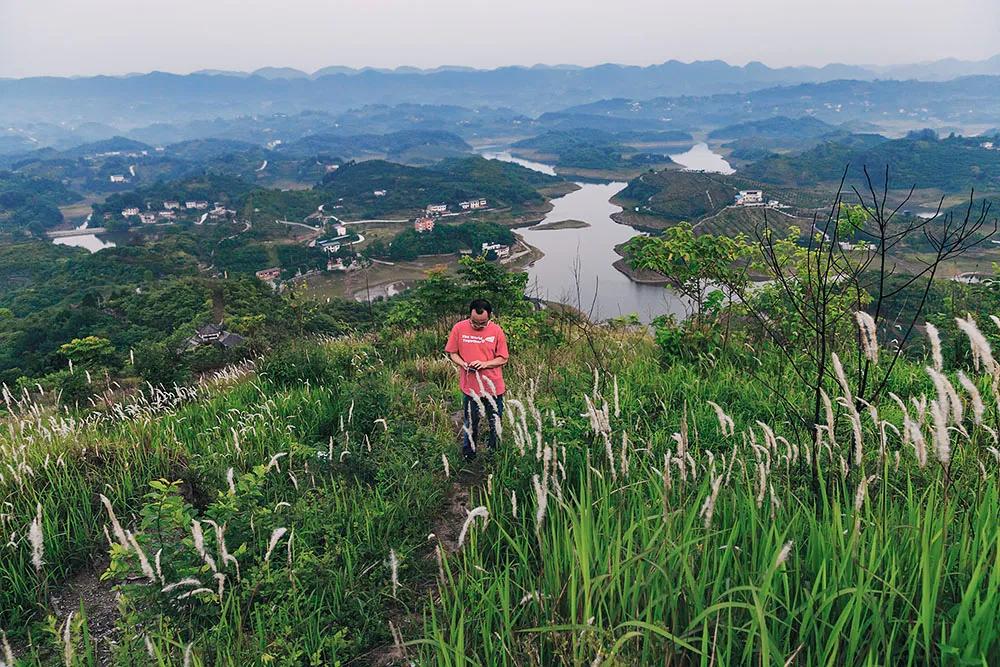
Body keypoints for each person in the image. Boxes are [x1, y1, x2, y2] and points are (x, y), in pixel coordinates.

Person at [444, 299, 509, 458]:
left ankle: (494, 454)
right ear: (470, 315)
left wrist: (485, 364)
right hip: (470, 386)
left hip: (493, 387)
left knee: (495, 422)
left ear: (490, 317)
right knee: (471, 422)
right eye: (474, 322)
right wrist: (464, 364)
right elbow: (453, 353)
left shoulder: (496, 331)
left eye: (482, 323)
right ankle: (469, 454)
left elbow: (503, 358)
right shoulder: (459, 328)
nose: (478, 326)